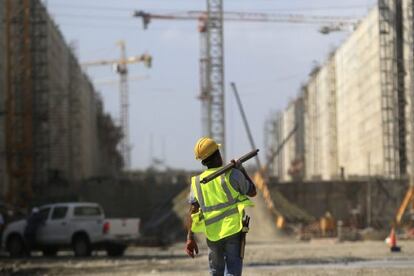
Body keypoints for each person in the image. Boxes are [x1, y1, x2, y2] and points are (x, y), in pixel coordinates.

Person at [185, 137, 257, 276]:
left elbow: (192, 211)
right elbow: (253, 191)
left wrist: (190, 237)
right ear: (218, 154)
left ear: (203, 161)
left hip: (212, 233)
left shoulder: (197, 183)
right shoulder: (233, 174)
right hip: (233, 230)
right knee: (232, 271)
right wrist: (241, 169)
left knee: (215, 272)